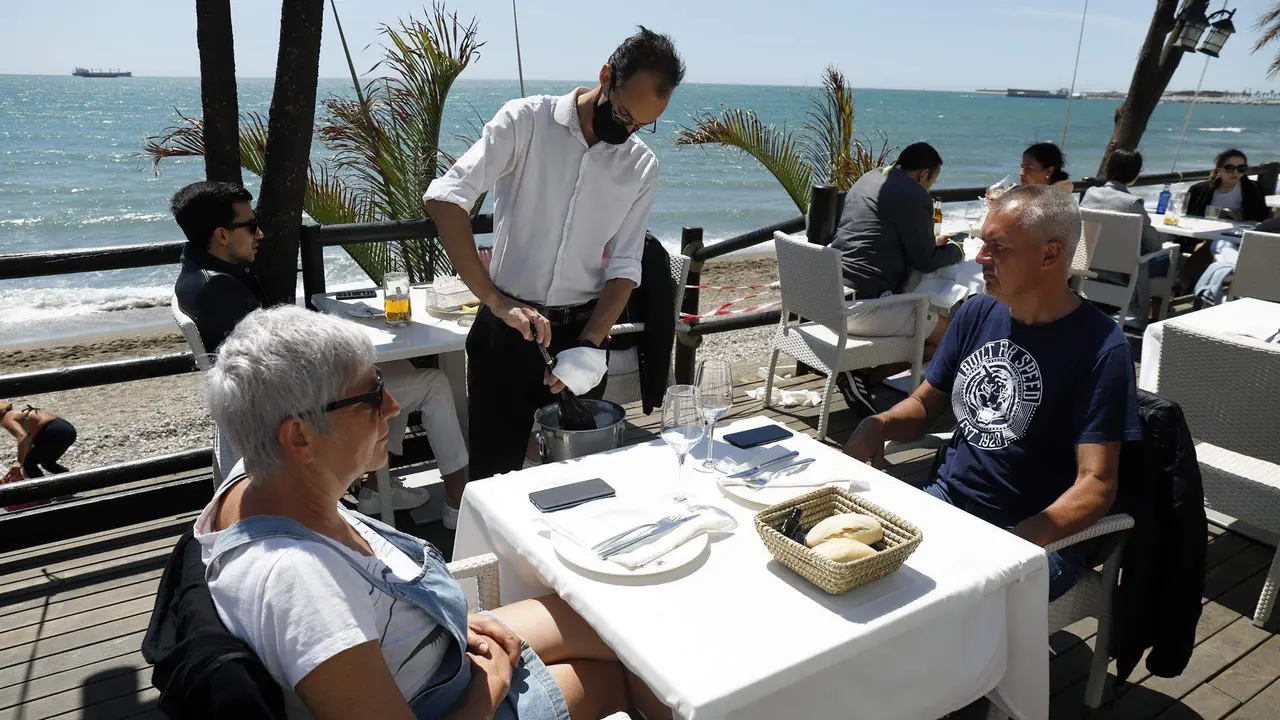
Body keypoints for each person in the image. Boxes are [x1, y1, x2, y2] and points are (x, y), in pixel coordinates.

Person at [195, 305, 667, 720]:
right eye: (371, 396)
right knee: (635, 672)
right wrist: (490, 689)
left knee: (626, 627)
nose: (394, 405)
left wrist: (443, 622)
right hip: (455, 698)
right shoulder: (300, 585)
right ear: (299, 438)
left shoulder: (257, 476)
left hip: (443, 648)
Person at [843, 185, 1142, 601]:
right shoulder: (978, 311)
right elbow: (925, 403)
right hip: (945, 501)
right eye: (983, 244)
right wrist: (877, 425)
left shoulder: (1101, 347)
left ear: (1050, 255)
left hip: (1034, 533)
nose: (980, 258)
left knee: (926, 610)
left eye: (997, 248)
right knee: (851, 572)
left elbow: (1097, 484)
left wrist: (1012, 544)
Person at [424, 27, 685, 481]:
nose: (627, 132)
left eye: (642, 125)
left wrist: (591, 343)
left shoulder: (641, 166)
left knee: (578, 485)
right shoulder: (526, 121)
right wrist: (495, 300)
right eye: (624, 114)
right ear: (606, 76)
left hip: (582, 337)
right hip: (506, 333)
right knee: (492, 481)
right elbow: (445, 199)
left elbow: (625, 265)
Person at [171, 181, 469, 525]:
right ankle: (457, 504)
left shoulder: (200, 276)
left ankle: (375, 489)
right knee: (433, 383)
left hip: (267, 403)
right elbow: (274, 371)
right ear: (222, 235)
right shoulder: (221, 290)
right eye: (251, 226)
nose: (260, 234)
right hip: (292, 409)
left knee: (390, 368)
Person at [827, 142, 963, 417]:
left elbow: (880, 233)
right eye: (931, 182)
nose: (929, 190)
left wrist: (928, 243)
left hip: (829, 295)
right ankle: (864, 374)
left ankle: (863, 375)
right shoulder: (914, 194)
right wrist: (956, 251)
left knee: (934, 328)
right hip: (864, 307)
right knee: (954, 336)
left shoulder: (870, 178)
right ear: (923, 174)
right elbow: (924, 261)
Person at [1079, 148, 1169, 324]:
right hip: (1121, 279)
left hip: (1086, 273)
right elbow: (1155, 245)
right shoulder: (1132, 204)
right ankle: (1154, 317)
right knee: (1166, 257)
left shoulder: (1090, 194)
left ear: (1108, 168)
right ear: (1135, 174)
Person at [1184, 149, 1269, 222]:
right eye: (1229, 168)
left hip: (1236, 237)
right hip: (1203, 234)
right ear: (1219, 170)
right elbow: (1189, 218)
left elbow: (1260, 220)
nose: (1235, 172)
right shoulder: (1198, 190)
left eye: (1241, 168)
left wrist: (1237, 217)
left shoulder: (1253, 190)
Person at [2, 402, 77, 480]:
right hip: (67, 430)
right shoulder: (16, 413)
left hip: (54, 432)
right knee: (47, 463)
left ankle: (43, 490)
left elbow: (22, 437)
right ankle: (72, 481)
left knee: (28, 463)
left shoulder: (7, 419)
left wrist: (19, 462)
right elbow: (28, 442)